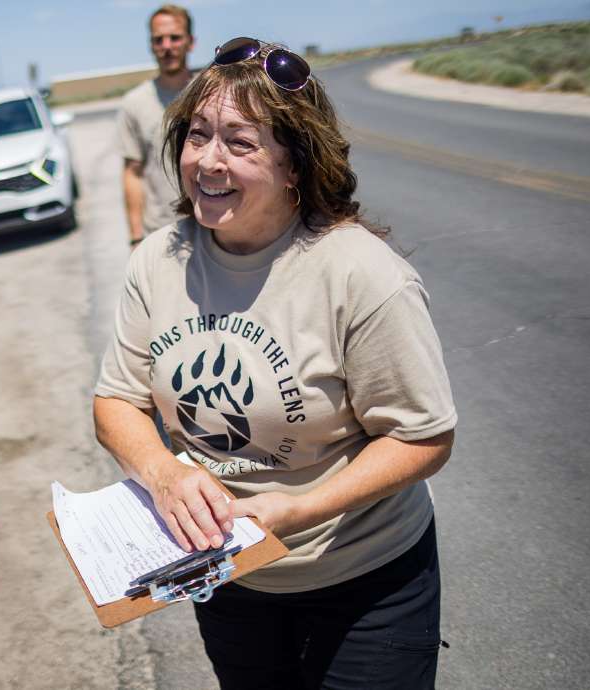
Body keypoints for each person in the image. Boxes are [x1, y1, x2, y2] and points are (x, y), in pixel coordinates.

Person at [94, 36, 456, 689]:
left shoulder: (361, 276)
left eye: (240, 142)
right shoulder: (157, 260)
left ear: (294, 166)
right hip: (230, 578)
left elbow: (423, 437)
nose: (207, 159)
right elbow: (117, 400)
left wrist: (302, 508)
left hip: (365, 583)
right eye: (196, 134)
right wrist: (163, 473)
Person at [119, 4, 196, 248]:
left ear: (190, 42)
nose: (167, 46)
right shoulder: (134, 103)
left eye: (175, 37)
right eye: (158, 40)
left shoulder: (210, 93)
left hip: (216, 228)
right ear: (151, 45)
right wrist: (135, 236)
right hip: (162, 234)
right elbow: (132, 172)